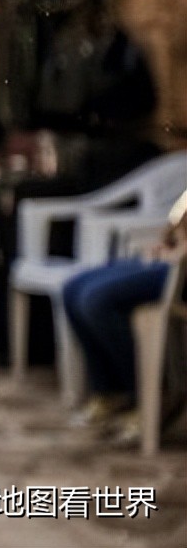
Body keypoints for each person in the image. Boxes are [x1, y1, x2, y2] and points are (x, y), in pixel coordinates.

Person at [65, 187, 187, 439]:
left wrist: (178, 253)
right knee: (73, 288)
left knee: (96, 299)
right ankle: (111, 392)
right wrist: (169, 239)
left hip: (181, 269)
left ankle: (148, 399)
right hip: (170, 255)